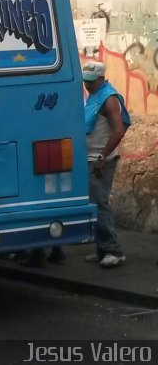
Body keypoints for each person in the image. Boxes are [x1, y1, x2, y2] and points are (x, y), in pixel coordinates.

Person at [82, 60, 131, 268]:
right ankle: (102, 249)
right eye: (86, 81)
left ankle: (114, 250)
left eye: (92, 81)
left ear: (102, 78)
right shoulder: (94, 96)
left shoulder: (109, 99)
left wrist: (102, 157)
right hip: (91, 158)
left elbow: (119, 130)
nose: (88, 85)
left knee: (99, 203)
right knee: (94, 204)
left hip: (101, 161)